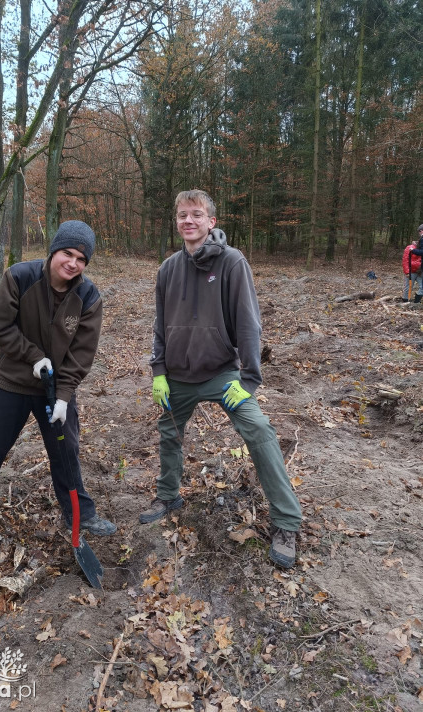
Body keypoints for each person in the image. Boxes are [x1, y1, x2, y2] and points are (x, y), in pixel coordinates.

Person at [141, 189, 302, 569]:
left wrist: (247, 379)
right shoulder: (167, 269)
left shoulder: (232, 263)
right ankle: (168, 496)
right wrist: (158, 371)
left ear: (211, 222)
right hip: (178, 376)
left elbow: (248, 324)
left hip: (222, 374)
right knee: (169, 434)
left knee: (259, 430)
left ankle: (286, 522)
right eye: (182, 215)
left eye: (196, 215)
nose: (188, 221)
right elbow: (160, 326)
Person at [0, 220, 116, 556]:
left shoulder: (88, 296)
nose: (73, 263)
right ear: (53, 251)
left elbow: (81, 355)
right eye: (68, 253)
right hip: (11, 383)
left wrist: (64, 397)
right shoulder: (19, 277)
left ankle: (81, 515)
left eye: (81, 259)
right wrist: (34, 356)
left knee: (67, 455)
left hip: (55, 391)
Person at [402, 225, 423, 303]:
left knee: (421, 287)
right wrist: (407, 272)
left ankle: (416, 301)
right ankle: (405, 301)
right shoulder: (409, 248)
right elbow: (405, 260)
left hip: (419, 271)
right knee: (408, 287)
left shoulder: (420, 249)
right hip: (411, 271)